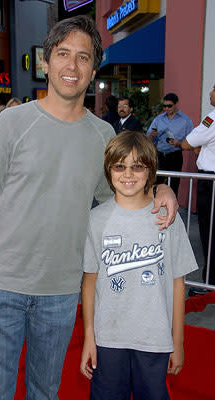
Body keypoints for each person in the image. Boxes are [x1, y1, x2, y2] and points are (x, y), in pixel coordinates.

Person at [0, 16, 178, 400]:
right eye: (63, 54)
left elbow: (119, 198)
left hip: (59, 293)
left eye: (83, 58)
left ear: (93, 70)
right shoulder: (12, 122)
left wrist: (159, 189)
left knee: (45, 393)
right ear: (46, 62)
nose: (71, 67)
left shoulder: (103, 135)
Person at [80, 131, 198, 400]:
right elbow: (89, 281)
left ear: (150, 170)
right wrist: (89, 336)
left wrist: (176, 341)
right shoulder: (96, 220)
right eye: (120, 166)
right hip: (108, 338)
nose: (128, 174)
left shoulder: (167, 219)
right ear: (109, 170)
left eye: (137, 166)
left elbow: (178, 283)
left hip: (154, 339)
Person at [171, 84, 215, 289]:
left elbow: (188, 142)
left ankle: (209, 282)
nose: (210, 93)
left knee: (210, 231)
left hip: (211, 182)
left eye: (214, 89)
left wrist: (199, 147)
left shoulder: (212, 119)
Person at [147, 93, 193, 196]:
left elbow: (191, 141)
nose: (166, 108)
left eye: (169, 106)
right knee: (156, 183)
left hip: (175, 155)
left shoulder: (186, 120)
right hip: (160, 155)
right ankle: (153, 207)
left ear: (176, 104)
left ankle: (172, 209)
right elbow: (149, 139)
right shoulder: (158, 119)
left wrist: (179, 143)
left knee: (173, 184)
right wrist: (152, 135)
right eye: (164, 106)